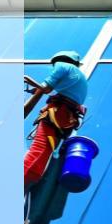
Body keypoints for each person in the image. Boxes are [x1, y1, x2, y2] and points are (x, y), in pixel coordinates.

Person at [23, 51, 88, 188]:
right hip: (67, 120)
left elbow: (46, 89)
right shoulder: (79, 77)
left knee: (39, 146)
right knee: (45, 150)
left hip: (57, 113)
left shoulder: (62, 65)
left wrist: (27, 79)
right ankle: (30, 176)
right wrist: (34, 89)